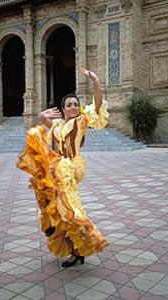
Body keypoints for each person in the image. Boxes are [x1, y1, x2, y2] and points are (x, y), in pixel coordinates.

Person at [17, 68, 109, 267]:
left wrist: (95, 82)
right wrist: (42, 115)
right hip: (57, 168)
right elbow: (42, 120)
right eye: (69, 105)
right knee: (54, 201)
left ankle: (78, 239)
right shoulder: (57, 125)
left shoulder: (81, 122)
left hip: (72, 166)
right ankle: (65, 239)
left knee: (68, 205)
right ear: (63, 108)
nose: (74, 107)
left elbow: (98, 104)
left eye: (76, 104)